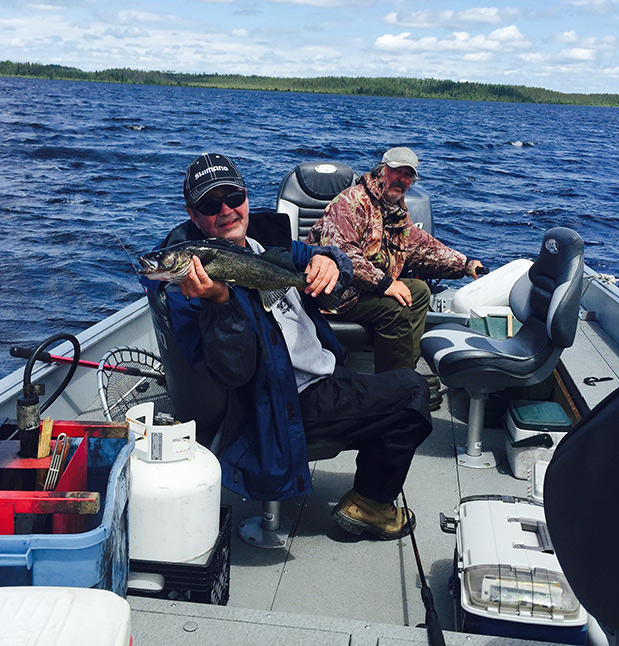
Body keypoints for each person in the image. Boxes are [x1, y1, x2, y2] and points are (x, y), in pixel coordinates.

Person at [140, 152, 433, 540]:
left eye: (234, 198)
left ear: (247, 197)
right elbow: (233, 372)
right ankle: (371, 505)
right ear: (193, 216)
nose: (226, 211)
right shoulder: (187, 291)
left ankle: (369, 482)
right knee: (413, 393)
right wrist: (219, 303)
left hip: (319, 376)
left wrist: (330, 261)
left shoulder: (266, 245)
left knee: (392, 386)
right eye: (211, 205)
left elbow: (328, 259)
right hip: (280, 403)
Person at [307, 147, 485, 375]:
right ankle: (393, 383)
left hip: (362, 290)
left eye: (408, 175)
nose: (402, 179)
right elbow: (343, 255)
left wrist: (466, 264)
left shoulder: (395, 210)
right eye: (396, 171)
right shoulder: (352, 200)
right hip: (333, 294)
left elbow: (423, 246)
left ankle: (406, 371)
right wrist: (385, 284)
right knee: (394, 308)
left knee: (419, 292)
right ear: (381, 171)